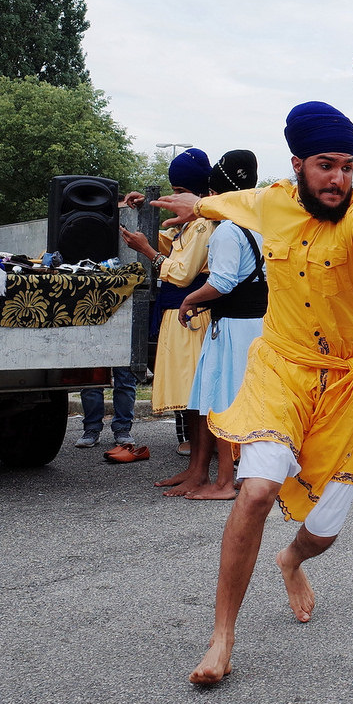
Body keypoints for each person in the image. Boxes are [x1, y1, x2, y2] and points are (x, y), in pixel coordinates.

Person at [153, 101, 353, 686]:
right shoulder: (272, 200)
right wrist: (194, 204)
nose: (339, 179)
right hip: (282, 369)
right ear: (298, 164)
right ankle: (221, 639)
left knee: (323, 529)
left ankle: (292, 559)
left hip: (348, 382)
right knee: (255, 492)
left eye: (348, 166)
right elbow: (232, 203)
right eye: (327, 166)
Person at [172, 150, 266, 500]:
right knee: (230, 398)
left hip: (236, 328)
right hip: (254, 324)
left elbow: (224, 281)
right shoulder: (261, 226)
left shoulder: (228, 230)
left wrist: (191, 299)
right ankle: (215, 475)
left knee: (226, 401)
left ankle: (225, 482)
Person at [118, 148, 215, 475]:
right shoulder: (186, 227)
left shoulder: (203, 226)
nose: (176, 199)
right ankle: (195, 466)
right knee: (188, 398)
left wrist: (146, 251)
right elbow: (166, 243)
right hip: (177, 315)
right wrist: (142, 209)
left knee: (197, 397)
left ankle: (200, 467)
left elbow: (183, 272)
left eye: (179, 193)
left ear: (197, 193)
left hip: (193, 317)